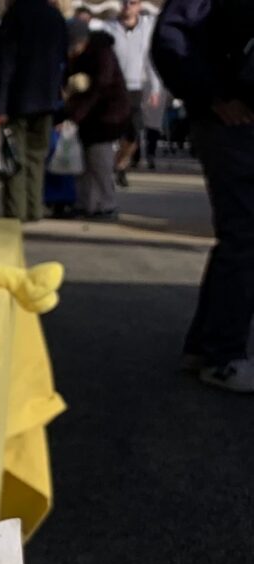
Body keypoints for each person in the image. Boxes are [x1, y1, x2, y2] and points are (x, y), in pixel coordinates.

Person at [154, 0, 254, 391]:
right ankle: (220, 354)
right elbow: (170, 39)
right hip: (234, 119)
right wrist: (214, 95)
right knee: (245, 237)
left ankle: (209, 347)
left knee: (242, 238)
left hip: (231, 114)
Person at [0, 0, 70, 222]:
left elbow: (5, 62)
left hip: (17, 99)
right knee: (37, 156)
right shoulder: (55, 17)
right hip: (47, 98)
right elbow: (63, 60)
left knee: (15, 157)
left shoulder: (14, 15)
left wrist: (0, 105)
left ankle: (16, 211)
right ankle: (34, 208)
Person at [64, 20, 133, 219]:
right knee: (84, 163)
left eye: (74, 46)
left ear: (83, 41)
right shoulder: (82, 55)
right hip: (90, 116)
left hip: (108, 115)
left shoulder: (102, 53)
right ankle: (87, 203)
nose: (72, 51)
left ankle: (107, 204)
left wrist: (77, 113)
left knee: (99, 161)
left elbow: (100, 87)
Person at [99, 0, 162, 183]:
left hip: (135, 87)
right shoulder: (109, 27)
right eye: (124, 2)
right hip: (113, 88)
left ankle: (118, 163)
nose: (127, 6)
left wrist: (155, 88)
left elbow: (150, 60)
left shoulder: (146, 28)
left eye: (132, 3)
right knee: (111, 130)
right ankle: (113, 170)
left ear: (139, 6)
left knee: (133, 132)